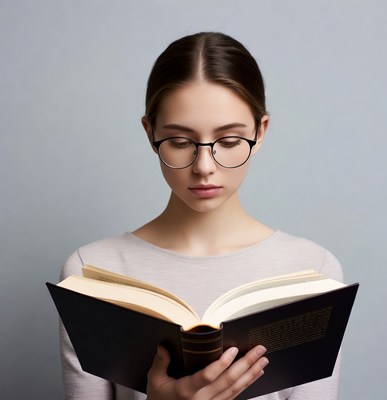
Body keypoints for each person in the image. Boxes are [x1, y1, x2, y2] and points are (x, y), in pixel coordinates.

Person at [60, 32, 343, 400]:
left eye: (228, 142)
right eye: (180, 142)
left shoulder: (312, 271)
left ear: (261, 132)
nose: (205, 167)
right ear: (150, 134)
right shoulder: (90, 272)